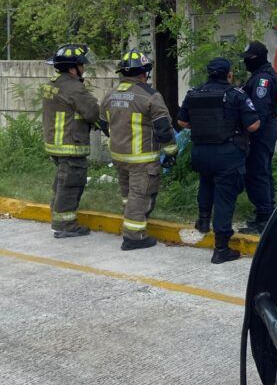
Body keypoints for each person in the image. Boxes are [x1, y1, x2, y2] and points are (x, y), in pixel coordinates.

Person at [177, 57, 260, 264]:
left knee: (206, 183)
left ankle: (203, 221)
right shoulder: (236, 95)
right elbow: (253, 126)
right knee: (225, 198)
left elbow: (182, 121)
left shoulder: (194, 93)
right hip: (227, 154)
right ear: (229, 74)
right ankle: (221, 248)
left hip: (201, 152)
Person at [100, 51, 178, 251]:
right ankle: (134, 237)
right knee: (141, 195)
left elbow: (102, 124)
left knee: (128, 195)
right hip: (142, 159)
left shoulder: (110, 95)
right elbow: (163, 129)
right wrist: (170, 152)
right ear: (144, 73)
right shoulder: (150, 96)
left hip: (119, 156)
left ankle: (131, 225)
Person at [41, 44, 105, 239]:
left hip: (56, 144)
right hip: (71, 143)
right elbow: (93, 112)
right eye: (81, 65)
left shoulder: (53, 83)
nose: (83, 68)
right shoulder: (74, 88)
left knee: (62, 181)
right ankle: (64, 224)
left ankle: (57, 215)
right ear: (72, 68)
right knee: (71, 184)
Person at [240, 41, 277, 234]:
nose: (245, 63)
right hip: (265, 128)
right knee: (262, 170)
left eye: (248, 59)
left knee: (257, 171)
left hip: (261, 129)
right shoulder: (260, 75)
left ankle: (264, 217)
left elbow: (259, 110)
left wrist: (250, 131)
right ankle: (266, 212)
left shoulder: (263, 80)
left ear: (258, 58)